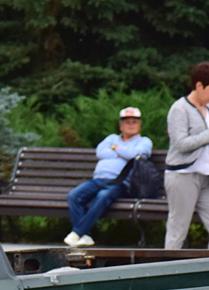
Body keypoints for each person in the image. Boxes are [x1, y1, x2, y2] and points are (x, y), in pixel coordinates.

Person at [164, 62, 209, 250]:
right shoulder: (179, 109)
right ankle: (166, 273)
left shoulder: (208, 108)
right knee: (177, 230)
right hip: (182, 176)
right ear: (198, 86)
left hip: (206, 176)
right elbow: (181, 144)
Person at [65, 106, 153, 247]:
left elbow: (135, 155)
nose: (130, 125)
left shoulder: (144, 141)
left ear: (140, 125)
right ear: (120, 126)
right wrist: (124, 153)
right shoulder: (112, 138)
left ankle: (77, 233)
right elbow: (100, 152)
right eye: (127, 122)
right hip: (98, 180)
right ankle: (86, 236)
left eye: (134, 122)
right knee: (74, 196)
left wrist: (116, 148)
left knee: (102, 196)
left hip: (120, 183)